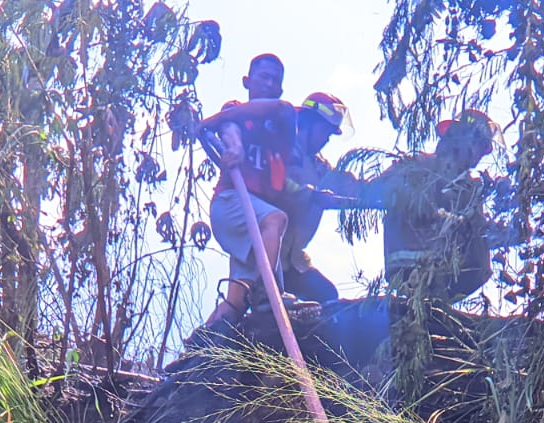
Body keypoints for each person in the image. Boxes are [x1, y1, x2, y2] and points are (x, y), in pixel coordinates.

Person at [199, 53, 296, 326]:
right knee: (277, 218)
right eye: (263, 76)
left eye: (274, 80)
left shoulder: (283, 121)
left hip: (257, 220)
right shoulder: (235, 113)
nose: (269, 83)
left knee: (236, 303)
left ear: (279, 89)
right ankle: (267, 290)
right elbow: (230, 127)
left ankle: (197, 349)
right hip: (233, 204)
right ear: (247, 81)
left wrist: (214, 119)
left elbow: (280, 109)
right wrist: (235, 147)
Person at [369, 109, 499, 304]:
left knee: (480, 255)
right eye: (478, 147)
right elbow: (378, 190)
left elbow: (474, 233)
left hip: (442, 269)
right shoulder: (418, 165)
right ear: (461, 140)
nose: (478, 157)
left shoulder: (468, 188)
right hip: (409, 262)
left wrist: (502, 233)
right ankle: (432, 304)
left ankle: (438, 306)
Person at [279, 91, 362, 304]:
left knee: (326, 296)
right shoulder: (281, 152)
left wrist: (385, 189)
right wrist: (312, 196)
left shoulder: (318, 166)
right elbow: (278, 186)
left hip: (294, 260)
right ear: (308, 124)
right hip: (267, 258)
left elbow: (346, 185)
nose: (326, 139)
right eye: (325, 132)